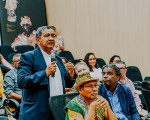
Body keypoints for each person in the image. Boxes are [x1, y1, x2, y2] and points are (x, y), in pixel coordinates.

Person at [17, 26, 75, 120]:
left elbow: (66, 83)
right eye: (47, 35)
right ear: (38, 40)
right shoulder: (28, 57)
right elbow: (22, 81)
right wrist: (45, 73)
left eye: (53, 35)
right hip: (37, 112)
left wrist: (71, 73)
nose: (51, 38)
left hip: (58, 110)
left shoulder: (58, 59)